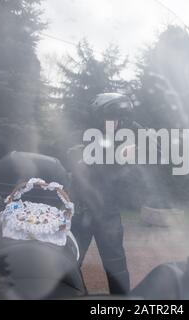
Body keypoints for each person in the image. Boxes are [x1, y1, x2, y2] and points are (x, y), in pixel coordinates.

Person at [67, 93, 134, 295]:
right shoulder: (79, 139)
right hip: (81, 212)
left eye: (119, 118)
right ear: (98, 116)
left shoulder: (125, 144)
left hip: (108, 214)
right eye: (111, 117)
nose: (116, 122)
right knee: (70, 262)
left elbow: (129, 182)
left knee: (116, 267)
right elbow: (66, 169)